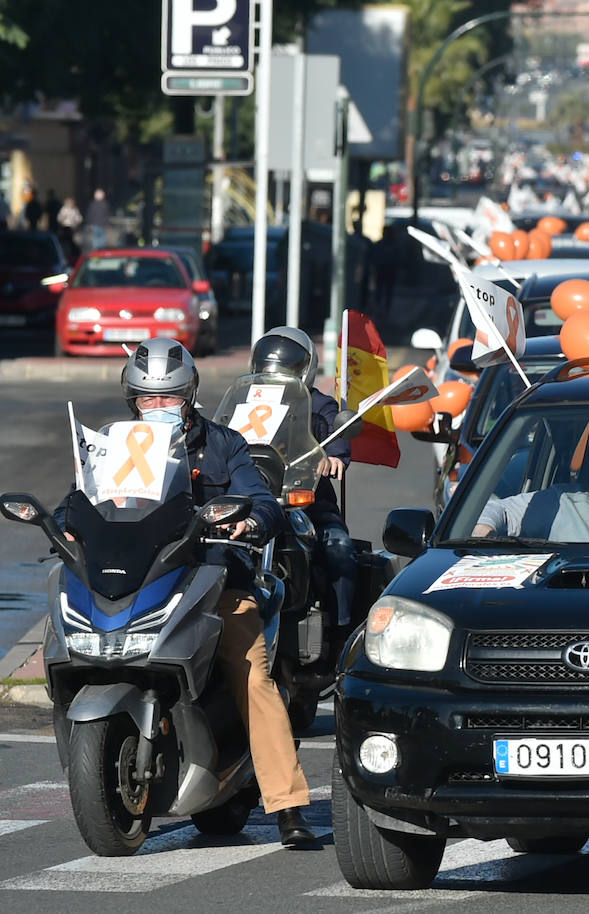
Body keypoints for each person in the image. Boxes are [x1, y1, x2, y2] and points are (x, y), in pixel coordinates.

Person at [58, 339, 317, 846]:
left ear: (190, 394)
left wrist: (251, 523)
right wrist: (67, 525)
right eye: (147, 399)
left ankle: (288, 806)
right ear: (132, 398)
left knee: (251, 675)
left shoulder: (226, 443)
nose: (158, 408)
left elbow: (262, 501)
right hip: (139, 580)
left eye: (170, 398)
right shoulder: (110, 447)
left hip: (213, 579)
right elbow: (79, 500)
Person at [249, 326, 356, 638]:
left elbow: (337, 443)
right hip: (254, 503)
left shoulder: (320, 405)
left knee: (339, 549)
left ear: (305, 370)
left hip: (307, 505)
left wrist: (331, 457)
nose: (276, 375)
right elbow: (225, 433)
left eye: (287, 369)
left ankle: (341, 633)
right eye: (269, 368)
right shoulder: (247, 403)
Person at [55, 196, 82, 261]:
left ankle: (70, 254)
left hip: (71, 228)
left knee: (70, 242)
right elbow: (59, 218)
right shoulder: (64, 209)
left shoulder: (74, 209)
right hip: (66, 227)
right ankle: (67, 254)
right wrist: (64, 219)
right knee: (67, 242)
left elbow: (79, 218)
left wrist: (74, 221)